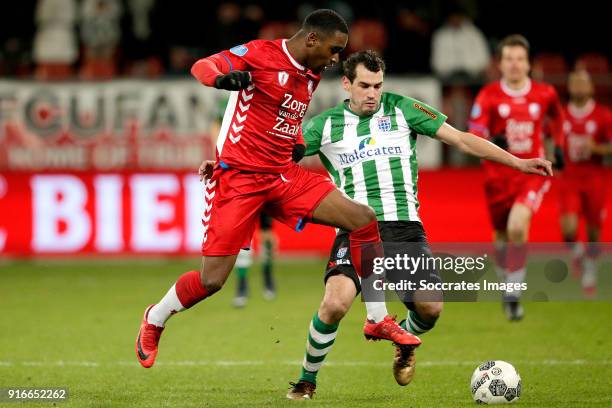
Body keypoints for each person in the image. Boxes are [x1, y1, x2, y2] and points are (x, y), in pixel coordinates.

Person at [135, 9, 421, 371]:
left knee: (363, 219)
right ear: (312, 39)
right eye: (334, 50)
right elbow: (203, 66)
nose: (336, 60)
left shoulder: (312, 72)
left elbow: (285, 114)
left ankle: (376, 317)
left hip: (282, 176)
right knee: (211, 280)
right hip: (239, 179)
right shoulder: (260, 53)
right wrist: (223, 81)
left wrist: (297, 140)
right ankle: (155, 318)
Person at [286, 50, 553, 400]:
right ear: (347, 84)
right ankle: (307, 380)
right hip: (353, 229)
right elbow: (277, 152)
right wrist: (229, 165)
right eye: (364, 85)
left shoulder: (403, 109)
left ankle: (405, 341)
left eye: (378, 85)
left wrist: (516, 162)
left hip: (405, 228)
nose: (372, 93)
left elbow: (460, 138)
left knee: (430, 309)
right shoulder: (325, 124)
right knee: (335, 303)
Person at [468, 34, 565, 321]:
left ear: (529, 63)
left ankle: (513, 293)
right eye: (508, 59)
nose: (514, 64)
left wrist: (557, 146)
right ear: (500, 63)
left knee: (517, 226)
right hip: (497, 177)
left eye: (519, 59)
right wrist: (490, 138)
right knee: (500, 237)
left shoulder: (545, 93)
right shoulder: (488, 95)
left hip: (531, 173)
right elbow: (473, 131)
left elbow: (557, 119)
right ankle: (506, 283)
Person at [558, 69, 612, 297]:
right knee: (568, 229)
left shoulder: (603, 115)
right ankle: (578, 254)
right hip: (570, 178)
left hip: (594, 178)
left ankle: (590, 268)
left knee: (593, 231)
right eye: (575, 82)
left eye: (583, 82)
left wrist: (597, 148)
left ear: (591, 88)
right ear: (569, 86)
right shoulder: (560, 114)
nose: (579, 86)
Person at [232, 213, 277, 307]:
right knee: (242, 236)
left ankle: (268, 278)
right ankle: (242, 285)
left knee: (267, 236)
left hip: (264, 200)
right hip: (244, 200)